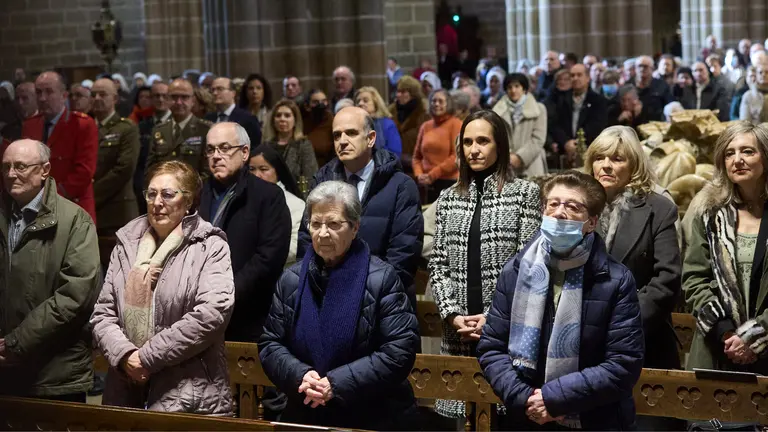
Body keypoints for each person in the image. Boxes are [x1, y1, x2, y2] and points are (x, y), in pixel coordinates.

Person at [478, 171, 644, 430]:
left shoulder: (616, 280)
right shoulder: (516, 270)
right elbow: (492, 347)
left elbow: (623, 364)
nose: (559, 213)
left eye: (572, 206)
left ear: (591, 222)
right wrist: (527, 399)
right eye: (553, 204)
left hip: (595, 419)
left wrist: (553, 399)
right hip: (527, 417)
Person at [259, 180, 419, 430]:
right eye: (315, 224)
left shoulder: (382, 279)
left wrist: (337, 383)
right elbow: (271, 344)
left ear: (355, 227)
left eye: (334, 224)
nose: (323, 233)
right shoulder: (291, 279)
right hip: (306, 407)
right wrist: (300, 375)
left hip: (372, 414)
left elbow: (399, 351)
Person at [90, 160, 234, 413]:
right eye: (152, 193)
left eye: (168, 194)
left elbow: (211, 314)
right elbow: (103, 314)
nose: (157, 202)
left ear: (188, 201)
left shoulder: (210, 245)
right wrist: (126, 357)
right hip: (125, 388)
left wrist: (146, 358)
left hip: (189, 393)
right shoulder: (127, 243)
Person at [430, 110, 542, 421]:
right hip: (458, 334)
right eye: (466, 142)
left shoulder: (525, 194)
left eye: (482, 141)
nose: (473, 149)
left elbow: (529, 269)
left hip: (507, 333)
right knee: (464, 418)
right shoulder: (448, 198)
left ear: (500, 146)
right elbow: (438, 265)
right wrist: (452, 314)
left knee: (507, 416)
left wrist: (493, 317)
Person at [0, 139, 101, 401]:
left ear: (44, 170)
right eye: (6, 167)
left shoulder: (75, 221)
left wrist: (16, 343)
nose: (11, 174)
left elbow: (75, 296)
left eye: (21, 166)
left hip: (54, 375)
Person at [298, 107, 423, 307]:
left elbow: (404, 254)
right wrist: (324, 287)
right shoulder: (322, 180)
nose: (343, 140)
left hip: (384, 302)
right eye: (337, 135)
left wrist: (365, 295)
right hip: (329, 296)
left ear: (371, 138)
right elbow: (307, 240)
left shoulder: (400, 185)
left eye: (352, 133)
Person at [683, 122, 768, 375]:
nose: (737, 160)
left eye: (748, 152)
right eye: (729, 153)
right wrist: (727, 333)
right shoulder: (710, 213)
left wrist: (756, 335)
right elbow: (694, 279)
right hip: (720, 345)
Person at [199, 123, 291, 341]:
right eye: (210, 150)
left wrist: (228, 292)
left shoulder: (268, 196)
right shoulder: (197, 194)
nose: (216, 156)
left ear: (245, 152)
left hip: (248, 314)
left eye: (224, 148)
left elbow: (269, 257)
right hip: (197, 311)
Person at [21, 71, 99, 223]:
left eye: (49, 92)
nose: (43, 98)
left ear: (64, 95)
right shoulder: (30, 125)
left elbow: (83, 172)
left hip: (73, 209)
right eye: (38, 92)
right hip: (35, 211)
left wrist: (48, 197)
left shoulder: (82, 125)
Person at [90, 78, 141, 267]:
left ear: (115, 99)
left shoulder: (126, 128)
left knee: (122, 273)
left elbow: (124, 169)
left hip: (116, 212)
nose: (97, 98)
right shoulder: (85, 126)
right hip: (90, 214)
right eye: (93, 94)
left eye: (102, 94)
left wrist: (90, 195)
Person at [249, 144, 305, 267]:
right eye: (251, 169)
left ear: (277, 172)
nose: (256, 175)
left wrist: (261, 254)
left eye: (263, 169)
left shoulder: (296, 205)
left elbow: (297, 245)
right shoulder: (240, 201)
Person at [147, 78, 212, 176]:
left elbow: (208, 171)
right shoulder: (159, 130)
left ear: (193, 101)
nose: (179, 102)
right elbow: (151, 169)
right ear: (167, 99)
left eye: (184, 97)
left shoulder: (206, 129)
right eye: (174, 97)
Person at [549, 64, 608, 165]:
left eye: (579, 75)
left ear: (588, 78)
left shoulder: (598, 100)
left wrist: (578, 143)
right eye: (572, 75)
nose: (575, 78)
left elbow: (597, 125)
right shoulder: (561, 99)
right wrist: (566, 142)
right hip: (565, 152)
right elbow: (555, 124)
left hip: (590, 151)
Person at [492, 73, 548, 178]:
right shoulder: (498, 111)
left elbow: (538, 139)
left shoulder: (539, 109)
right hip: (508, 165)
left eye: (517, 86)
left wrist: (520, 157)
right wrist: (507, 157)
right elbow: (496, 138)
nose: (513, 90)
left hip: (532, 163)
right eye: (509, 87)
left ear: (524, 89)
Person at [412, 89, 462, 203]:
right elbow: (416, 157)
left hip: (449, 182)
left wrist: (432, 175)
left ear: (448, 104)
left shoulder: (456, 124)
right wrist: (419, 174)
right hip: (426, 183)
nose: (436, 104)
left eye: (440, 101)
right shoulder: (425, 126)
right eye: (434, 101)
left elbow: (456, 156)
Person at [261, 99, 319, 187]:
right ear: (273, 120)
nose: (282, 119)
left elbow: (311, 177)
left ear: (295, 120)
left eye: (287, 115)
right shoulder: (266, 146)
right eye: (278, 115)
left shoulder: (303, 145)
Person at [136, 81, 172, 214]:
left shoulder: (176, 125)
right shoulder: (142, 125)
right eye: (156, 96)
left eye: (165, 95)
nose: (160, 99)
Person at [389, 76, 430, 169]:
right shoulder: (391, 111)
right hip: (394, 162)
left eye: (403, 92)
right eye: (398, 91)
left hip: (416, 162)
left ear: (413, 94)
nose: (398, 95)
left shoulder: (423, 112)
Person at [208, 76, 262, 145]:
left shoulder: (248, 118)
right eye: (212, 90)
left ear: (233, 93)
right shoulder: (208, 118)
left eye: (220, 89)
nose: (215, 93)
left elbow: (255, 147)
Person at [355, 86, 402, 156]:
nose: (360, 103)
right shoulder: (353, 124)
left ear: (376, 104)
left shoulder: (387, 124)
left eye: (365, 100)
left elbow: (395, 153)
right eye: (358, 101)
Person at [634, 56, 674, 121]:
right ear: (635, 68)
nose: (642, 69)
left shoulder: (661, 85)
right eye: (639, 66)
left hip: (654, 124)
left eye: (645, 66)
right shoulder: (628, 85)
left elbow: (670, 106)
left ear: (652, 68)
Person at [303, 89, 335, 168]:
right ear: (307, 106)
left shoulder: (333, 122)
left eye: (324, 101)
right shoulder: (303, 123)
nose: (321, 105)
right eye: (315, 102)